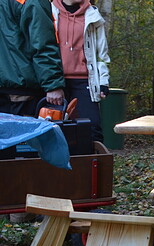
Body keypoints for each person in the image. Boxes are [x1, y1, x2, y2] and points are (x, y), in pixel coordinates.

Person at [51, 0, 110, 142]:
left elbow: (101, 55)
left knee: (92, 128)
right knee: (53, 129)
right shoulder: (49, 11)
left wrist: (103, 81)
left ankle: (91, 162)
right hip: (54, 80)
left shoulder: (93, 15)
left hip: (85, 80)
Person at [0, 0, 65, 117]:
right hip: (21, 89)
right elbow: (42, 43)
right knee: (25, 134)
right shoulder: (31, 2)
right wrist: (53, 85)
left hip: (14, 86)